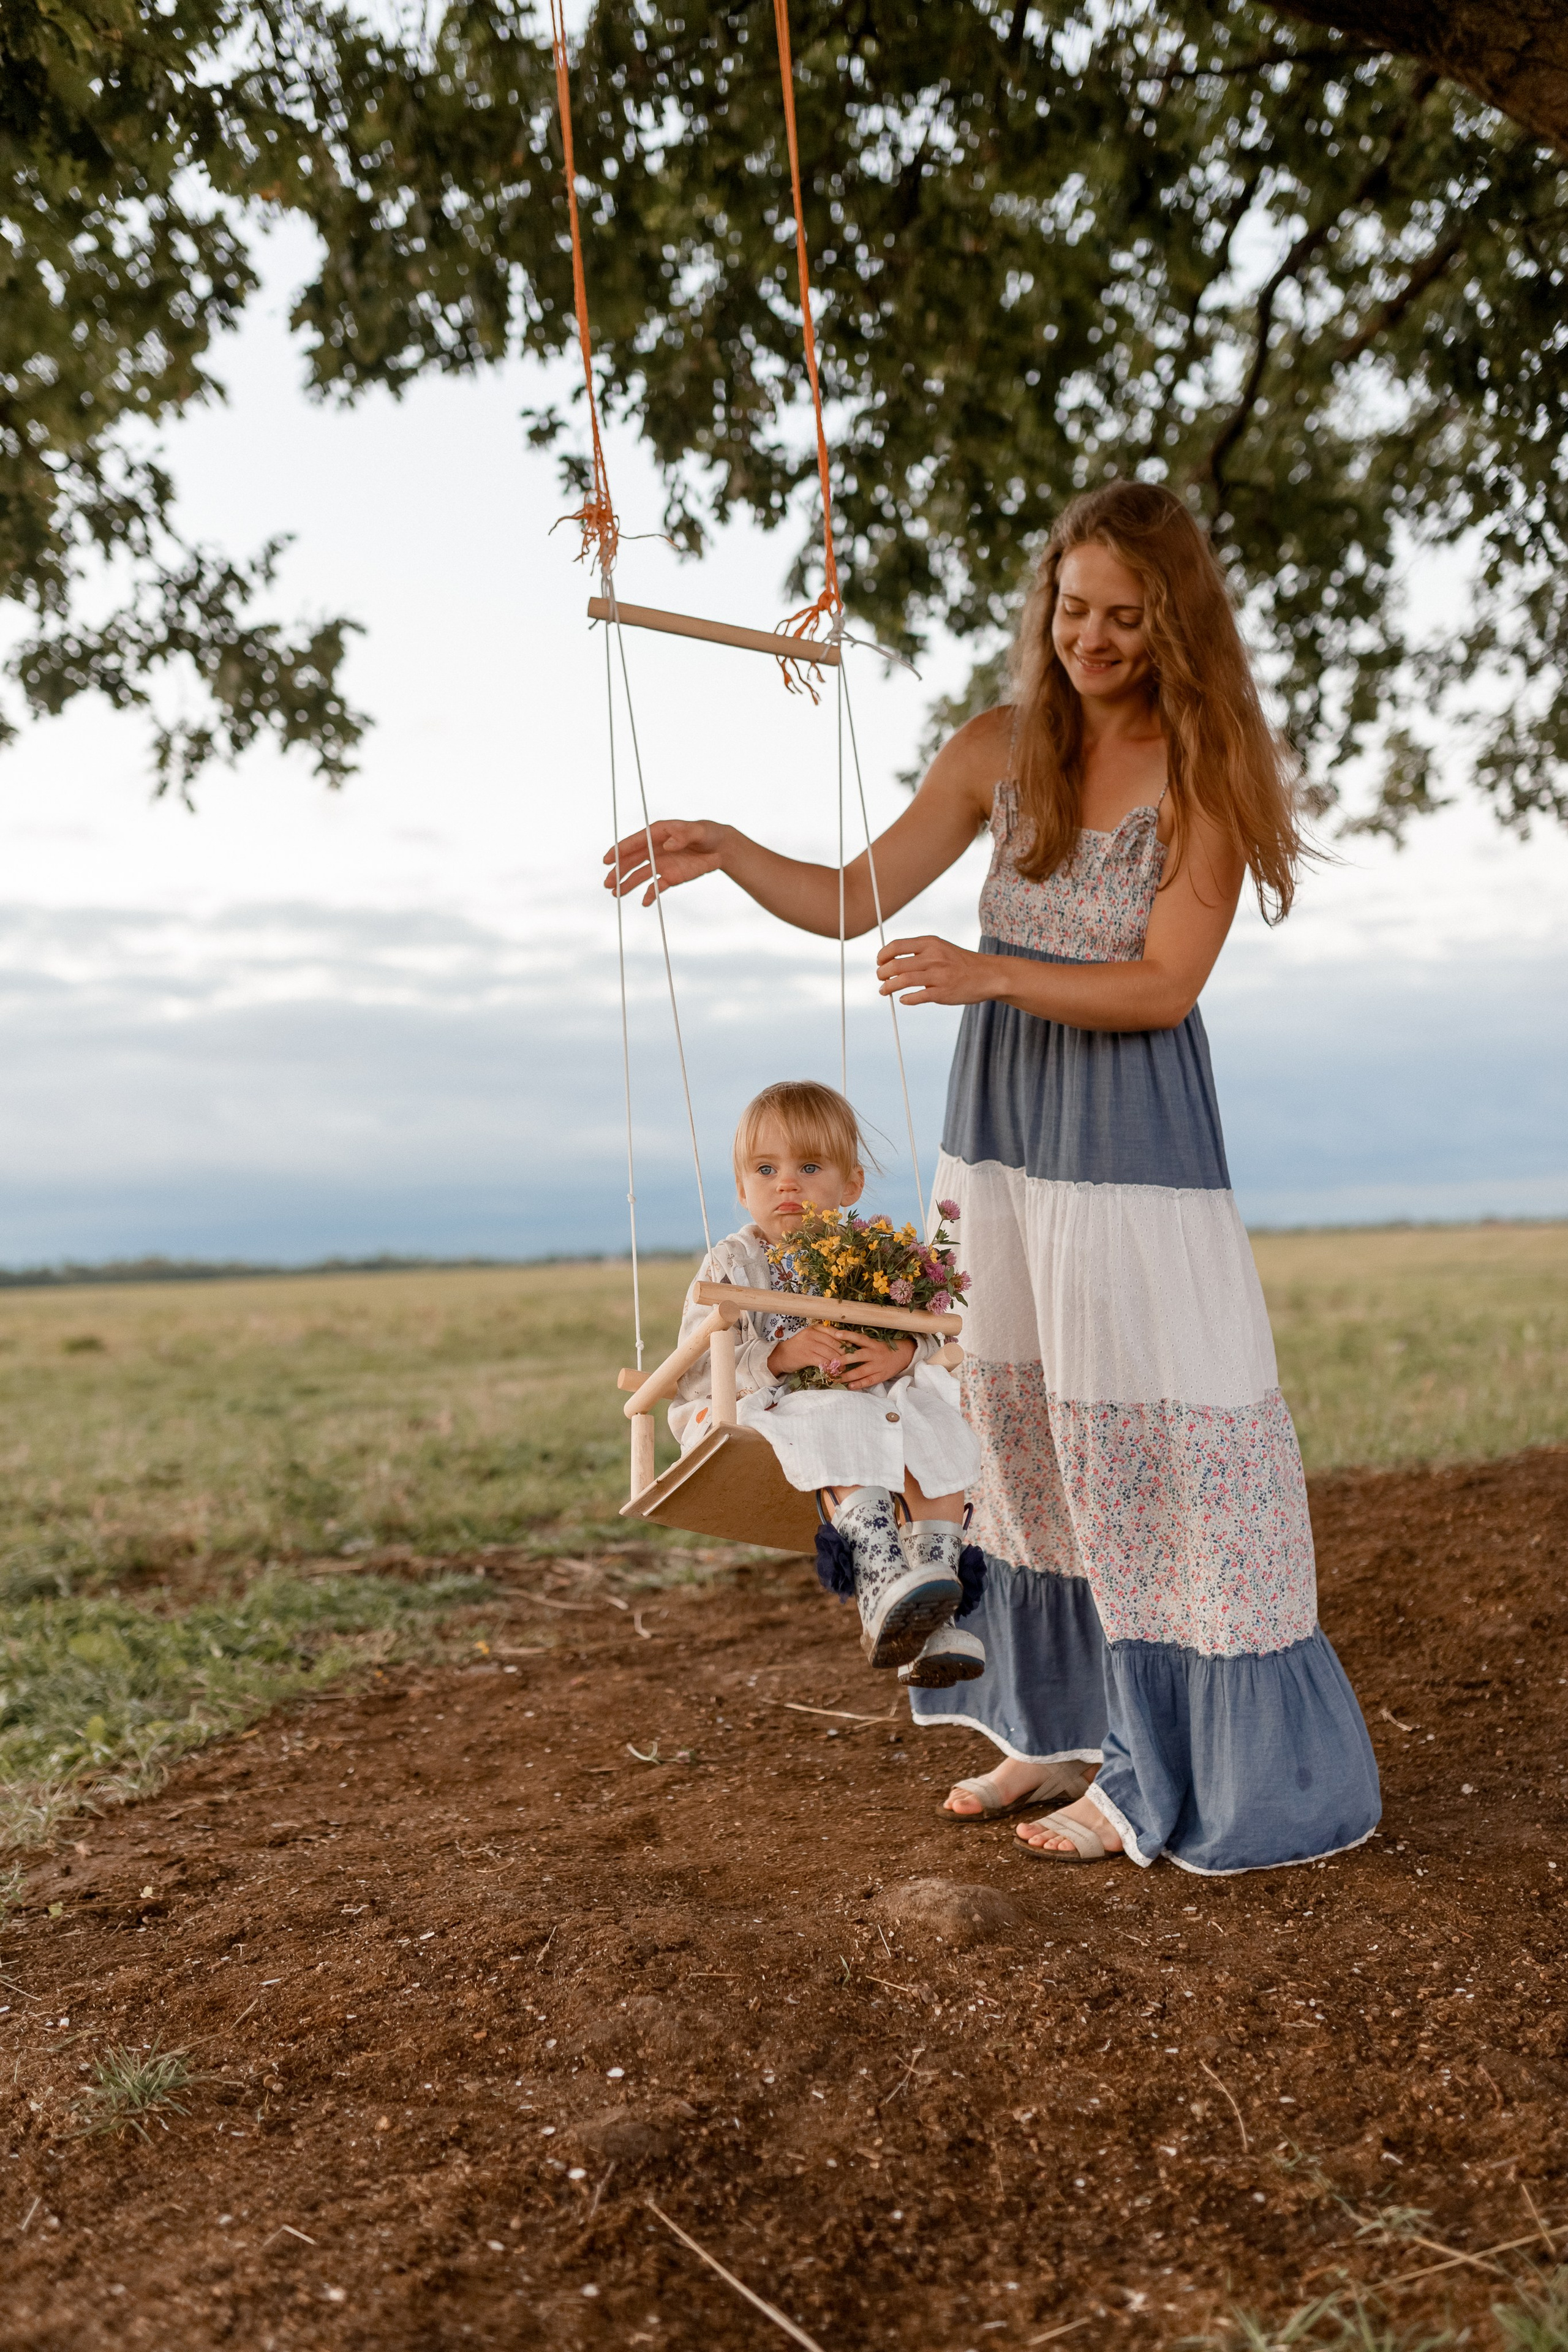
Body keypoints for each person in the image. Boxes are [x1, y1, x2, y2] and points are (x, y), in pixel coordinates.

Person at [605, 480, 1381, 1875]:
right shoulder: (994, 747)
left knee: (1141, 1430)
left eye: (1123, 617)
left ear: (1174, 623)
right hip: (1002, 1136)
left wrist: (986, 974)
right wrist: (727, 850)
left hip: (1129, 1144)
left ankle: (1160, 1763)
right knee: (1013, 1428)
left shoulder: (1204, 764)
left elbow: (1158, 984)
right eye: (1070, 607)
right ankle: (1053, 1718)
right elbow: (851, 894)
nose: (1088, 637)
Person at [668, 1080, 983, 1681]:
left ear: (851, 1186)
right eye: (765, 1169)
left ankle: (931, 1608)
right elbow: (697, 1370)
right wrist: (779, 1355)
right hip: (752, 1405)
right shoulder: (730, 1265)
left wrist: (904, 1351)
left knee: (939, 1427)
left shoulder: (869, 1255)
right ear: (742, 1188)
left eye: (808, 1166)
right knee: (834, 1413)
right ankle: (878, 1578)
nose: (786, 1183)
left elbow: (922, 1328)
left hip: (861, 1399)